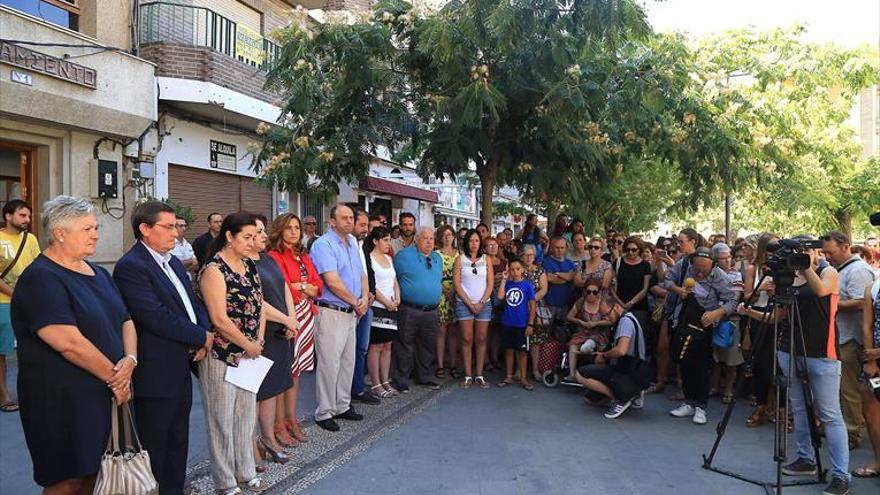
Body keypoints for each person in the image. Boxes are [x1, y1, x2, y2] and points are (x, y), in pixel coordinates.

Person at [11, 196, 136, 494]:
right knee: (67, 478)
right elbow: (68, 343)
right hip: (60, 399)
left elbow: (125, 320)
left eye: (96, 227)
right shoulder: (41, 278)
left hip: (103, 392)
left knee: (97, 470)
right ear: (60, 233)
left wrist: (130, 360)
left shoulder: (99, 273)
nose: (95, 234)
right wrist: (116, 378)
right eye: (87, 229)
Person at [113, 201, 212, 495]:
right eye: (167, 227)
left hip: (181, 364)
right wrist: (199, 336)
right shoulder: (131, 267)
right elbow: (153, 316)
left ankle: (173, 489)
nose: (176, 234)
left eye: (176, 226)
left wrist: (204, 332)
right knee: (155, 441)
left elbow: (193, 302)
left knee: (177, 437)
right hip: (155, 371)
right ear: (145, 229)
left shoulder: (172, 263)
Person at [739, 236, 851, 495]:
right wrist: (750, 310)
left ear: (815, 252)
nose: (801, 255)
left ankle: (841, 474)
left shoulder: (827, 271)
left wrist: (805, 267)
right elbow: (777, 316)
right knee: (798, 408)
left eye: (805, 251)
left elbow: (822, 291)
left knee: (830, 415)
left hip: (822, 353)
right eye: (797, 252)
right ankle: (805, 458)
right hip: (789, 349)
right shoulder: (788, 276)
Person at [198, 212, 268, 494]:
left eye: (255, 236)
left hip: (249, 355)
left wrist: (259, 340)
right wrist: (247, 344)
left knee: (245, 417)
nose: (253, 242)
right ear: (229, 236)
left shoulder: (249, 265)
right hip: (222, 354)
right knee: (221, 420)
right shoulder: (213, 270)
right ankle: (225, 482)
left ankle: (245, 470)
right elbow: (219, 319)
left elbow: (260, 305)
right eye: (247, 237)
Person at [309, 204, 369, 432]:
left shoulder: (352, 242)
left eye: (351, 218)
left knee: (347, 362)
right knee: (329, 363)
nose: (349, 221)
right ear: (332, 221)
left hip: (352, 311)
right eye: (343, 218)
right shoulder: (323, 244)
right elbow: (331, 281)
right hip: (331, 311)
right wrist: (356, 302)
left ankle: (342, 405)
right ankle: (324, 411)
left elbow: (362, 274)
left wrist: (364, 298)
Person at [666, 246, 738, 426]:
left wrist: (718, 313)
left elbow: (733, 300)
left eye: (704, 270)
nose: (699, 274)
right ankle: (688, 401)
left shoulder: (721, 276)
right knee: (684, 361)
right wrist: (678, 290)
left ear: (712, 265)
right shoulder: (683, 267)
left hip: (706, 324)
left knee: (702, 365)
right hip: (683, 320)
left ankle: (701, 406)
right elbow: (667, 280)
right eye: (696, 269)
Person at [267, 213, 322, 444]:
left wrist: (304, 287)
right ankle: (278, 424)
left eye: (296, 227)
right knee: (284, 373)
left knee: (296, 373)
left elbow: (318, 286)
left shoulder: (303, 255)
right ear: (279, 229)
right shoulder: (273, 256)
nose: (293, 231)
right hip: (287, 318)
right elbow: (283, 287)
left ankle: (292, 419)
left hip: (306, 317)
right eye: (288, 227)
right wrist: (302, 287)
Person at [249, 214, 299, 461]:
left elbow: (285, 289)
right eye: (257, 232)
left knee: (271, 390)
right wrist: (285, 319)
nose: (263, 236)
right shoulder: (244, 264)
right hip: (261, 334)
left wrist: (290, 318)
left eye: (262, 231)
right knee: (256, 394)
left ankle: (268, 438)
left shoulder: (267, 259)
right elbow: (258, 302)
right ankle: (252, 445)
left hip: (281, 332)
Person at [821, 231, 875, 449]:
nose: (827, 256)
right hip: (843, 334)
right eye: (824, 252)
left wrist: (830, 304)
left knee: (849, 388)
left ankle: (852, 433)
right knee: (845, 388)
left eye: (830, 252)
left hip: (852, 337)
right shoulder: (840, 269)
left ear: (845, 247)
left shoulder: (858, 270)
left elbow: (862, 303)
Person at [0, 199, 40, 413]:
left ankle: (31, 392)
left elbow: (37, 267)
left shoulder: (30, 239)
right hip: (3, 303)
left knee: (30, 347)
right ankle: (3, 395)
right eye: (22, 215)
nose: (27, 220)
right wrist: (16, 295)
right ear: (8, 216)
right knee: (2, 351)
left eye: (29, 216)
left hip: (28, 302)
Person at [574, 305, 648, 420]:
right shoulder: (631, 318)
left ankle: (620, 399)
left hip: (628, 369)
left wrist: (604, 356)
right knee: (589, 399)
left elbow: (621, 350)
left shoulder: (625, 322)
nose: (606, 318)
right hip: (635, 368)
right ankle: (631, 393)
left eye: (608, 314)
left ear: (617, 307)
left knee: (580, 374)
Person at [392, 227, 443, 391]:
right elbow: (394, 279)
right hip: (409, 308)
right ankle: (401, 379)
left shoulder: (437, 258)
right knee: (404, 344)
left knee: (427, 345)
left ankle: (424, 376)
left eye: (431, 239)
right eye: (425, 238)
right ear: (417, 239)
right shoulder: (403, 256)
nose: (429, 241)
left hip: (432, 310)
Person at [454, 229, 495, 388]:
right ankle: (467, 375)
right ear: (466, 242)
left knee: (481, 338)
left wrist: (481, 302)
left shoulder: (486, 260)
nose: (474, 244)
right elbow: (457, 284)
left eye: (477, 240)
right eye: (471, 240)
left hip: (483, 304)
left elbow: (490, 284)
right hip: (464, 303)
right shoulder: (460, 259)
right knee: (466, 338)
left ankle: (479, 374)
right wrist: (470, 304)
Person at [364, 227, 400, 398]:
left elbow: (394, 281)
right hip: (378, 306)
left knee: (388, 345)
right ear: (375, 241)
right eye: (385, 240)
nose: (388, 243)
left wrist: (397, 299)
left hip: (392, 307)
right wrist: (386, 302)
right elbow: (372, 285)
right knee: (376, 345)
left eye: (389, 239)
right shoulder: (369, 258)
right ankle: (375, 382)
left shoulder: (388, 258)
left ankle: (385, 380)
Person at [709, 243, 744, 404]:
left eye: (729, 257)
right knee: (716, 356)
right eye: (722, 258)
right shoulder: (711, 273)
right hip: (713, 318)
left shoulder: (736, 274)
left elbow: (734, 296)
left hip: (731, 318)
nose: (727, 261)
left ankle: (729, 389)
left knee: (731, 357)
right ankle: (714, 386)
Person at [853, 277, 880, 477]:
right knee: (871, 414)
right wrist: (871, 359)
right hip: (873, 360)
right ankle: (879, 461)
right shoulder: (872, 287)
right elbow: (866, 325)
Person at [496, 259, 536, 390]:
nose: (515, 272)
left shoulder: (527, 285)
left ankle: (524, 378)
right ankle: (509, 375)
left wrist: (530, 324)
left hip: (521, 324)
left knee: (522, 352)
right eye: (512, 269)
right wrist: (503, 279)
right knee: (509, 350)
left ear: (522, 270)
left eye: (518, 269)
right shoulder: (507, 284)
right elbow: (500, 297)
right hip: (508, 322)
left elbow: (532, 305)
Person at [351, 210, 379, 404]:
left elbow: (367, 273)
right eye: (362, 225)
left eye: (367, 226)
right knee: (346, 352)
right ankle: (346, 392)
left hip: (366, 303)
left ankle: (358, 388)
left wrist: (371, 292)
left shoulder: (363, 245)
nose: (366, 230)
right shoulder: (344, 246)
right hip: (350, 304)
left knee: (361, 349)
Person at [565, 279, 615, 380]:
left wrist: (596, 323)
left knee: (593, 340)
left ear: (599, 292)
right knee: (573, 346)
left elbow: (611, 321)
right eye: (589, 292)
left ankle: (589, 346)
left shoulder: (603, 303)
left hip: (599, 332)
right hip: (583, 331)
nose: (591, 294)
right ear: (584, 291)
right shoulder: (581, 301)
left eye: (594, 292)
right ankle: (572, 374)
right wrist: (580, 322)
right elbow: (569, 316)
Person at [435, 225, 460, 380]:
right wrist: (446, 291)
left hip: (457, 293)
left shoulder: (459, 254)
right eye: (444, 235)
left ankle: (453, 364)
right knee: (441, 331)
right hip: (442, 294)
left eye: (450, 234)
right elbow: (434, 275)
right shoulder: (436, 254)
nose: (447, 237)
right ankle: (439, 364)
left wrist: (455, 291)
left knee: (453, 332)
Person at [611, 236, 652, 327]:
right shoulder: (618, 262)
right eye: (628, 249)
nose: (630, 252)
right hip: (618, 305)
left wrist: (632, 302)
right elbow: (611, 284)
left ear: (639, 250)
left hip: (639, 307)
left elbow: (645, 289)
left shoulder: (645, 265)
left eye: (634, 250)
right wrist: (619, 302)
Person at [542, 237, 578, 323]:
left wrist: (558, 274)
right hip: (550, 303)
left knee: (562, 333)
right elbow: (551, 278)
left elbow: (573, 277)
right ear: (552, 248)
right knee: (547, 331)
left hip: (566, 304)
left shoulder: (570, 262)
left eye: (562, 248)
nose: (560, 250)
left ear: (566, 248)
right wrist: (567, 276)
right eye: (557, 247)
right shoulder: (546, 262)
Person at [484, 236, 507, 370]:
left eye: (495, 245)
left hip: (500, 298)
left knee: (497, 330)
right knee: (486, 330)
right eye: (489, 245)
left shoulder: (504, 262)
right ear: (485, 248)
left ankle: (494, 357)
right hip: (487, 297)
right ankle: (486, 359)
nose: (493, 247)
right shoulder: (483, 262)